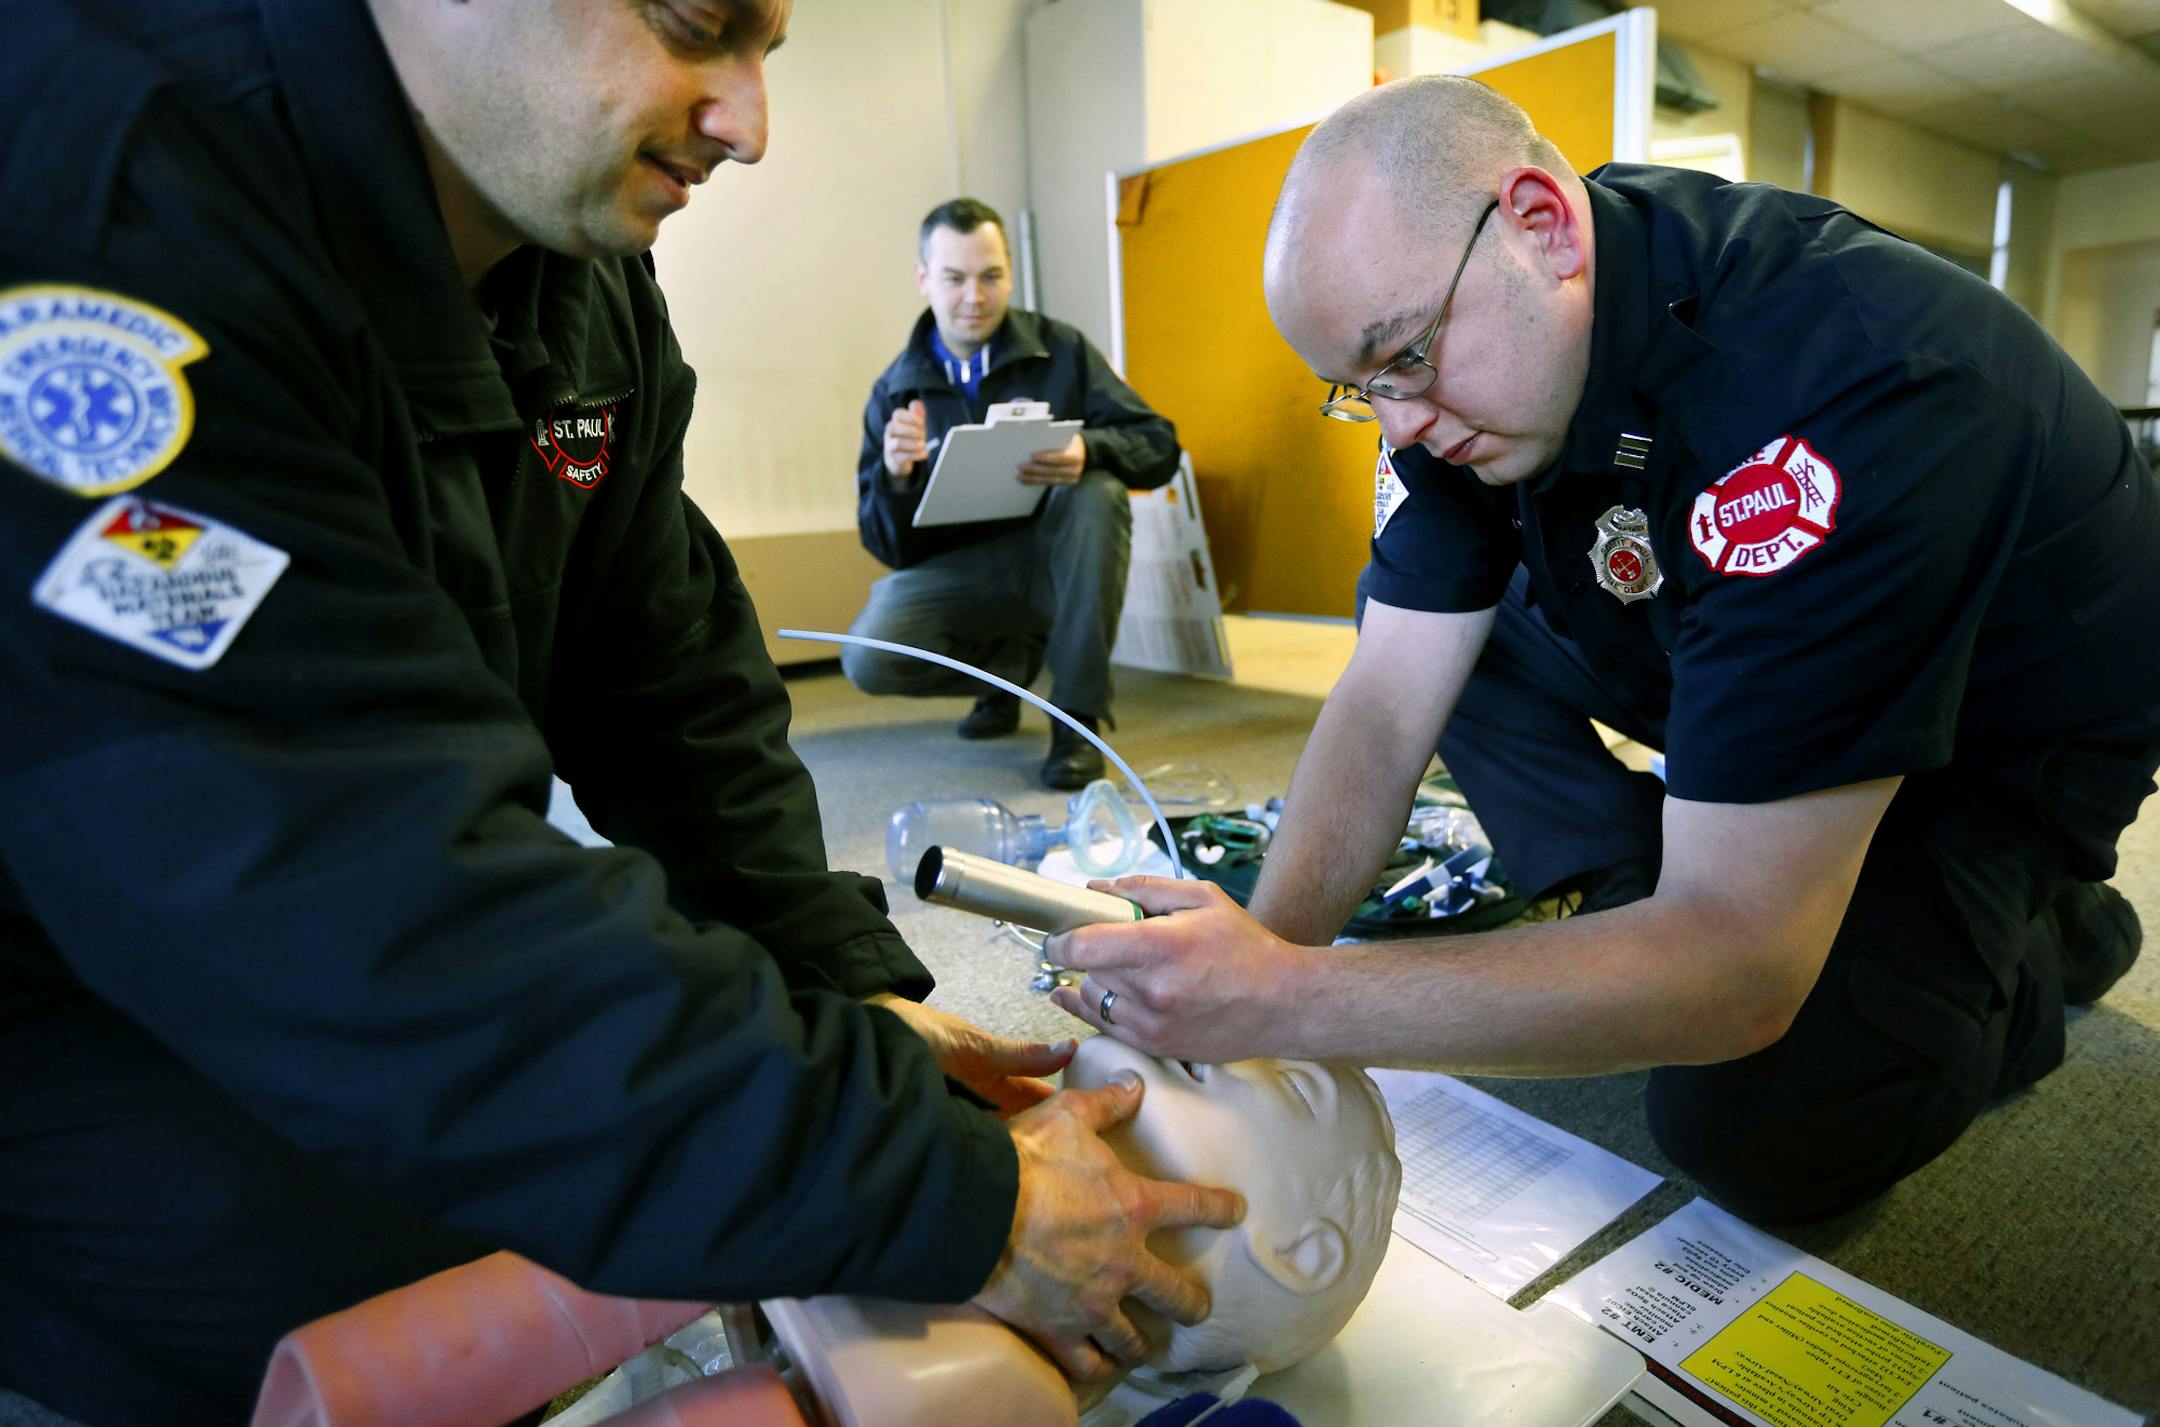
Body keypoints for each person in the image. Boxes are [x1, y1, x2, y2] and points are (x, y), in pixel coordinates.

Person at [0, 3, 1243, 1424]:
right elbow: (342, 882)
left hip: (289, 879)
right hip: (68, 984)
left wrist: (837, 983)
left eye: (769, 46)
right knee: (456, 1264)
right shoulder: (97, 203)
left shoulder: (573, 268)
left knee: (693, 1154)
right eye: (696, 26)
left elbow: (669, 679)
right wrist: (933, 1185)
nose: (751, 123)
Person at [1045, 76, 2160, 1225]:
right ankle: (1629, 896)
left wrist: (1289, 999)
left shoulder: (1843, 387)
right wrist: (1250, 953)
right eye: (1362, 388)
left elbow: (1738, 970)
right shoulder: (1476, 341)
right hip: (1756, 639)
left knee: (1761, 1128)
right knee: (1459, 640)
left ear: (1543, 222)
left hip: (1987, 746)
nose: (1402, 422)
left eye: (1407, 360)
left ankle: (2038, 942)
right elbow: (1386, 697)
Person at [844, 199, 1182, 791]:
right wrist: (896, 477)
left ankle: (1076, 722)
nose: (974, 296)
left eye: (990, 276)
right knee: (867, 655)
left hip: (1059, 564)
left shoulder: (1062, 350)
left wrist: (1088, 449)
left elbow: (1158, 445)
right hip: (964, 577)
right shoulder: (894, 391)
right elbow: (886, 547)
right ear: (924, 279)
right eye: (954, 278)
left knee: (1096, 490)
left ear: (1009, 275)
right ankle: (1005, 675)